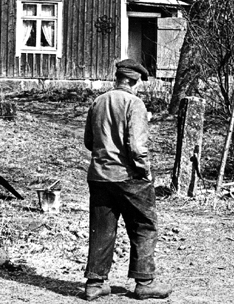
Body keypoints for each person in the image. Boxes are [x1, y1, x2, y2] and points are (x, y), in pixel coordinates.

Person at [82, 59, 171, 301]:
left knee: (102, 228)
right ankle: (145, 282)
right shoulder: (135, 103)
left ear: (118, 78)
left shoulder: (98, 102)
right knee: (144, 224)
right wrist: (146, 172)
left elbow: (89, 142)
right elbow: (137, 147)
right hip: (128, 177)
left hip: (99, 176)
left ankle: (95, 284)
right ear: (135, 81)